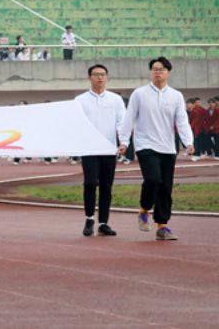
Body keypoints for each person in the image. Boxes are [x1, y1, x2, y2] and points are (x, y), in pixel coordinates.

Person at [118, 57, 194, 241]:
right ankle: (144, 209)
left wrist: (188, 142)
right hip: (145, 145)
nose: (157, 72)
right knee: (152, 179)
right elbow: (129, 118)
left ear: (168, 72)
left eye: (161, 69)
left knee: (165, 187)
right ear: (151, 72)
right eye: (154, 69)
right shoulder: (139, 94)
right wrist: (124, 141)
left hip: (168, 147)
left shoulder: (175, 96)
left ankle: (162, 225)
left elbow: (182, 121)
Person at [75, 64, 126, 237]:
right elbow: (75, 124)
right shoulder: (80, 100)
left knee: (106, 186)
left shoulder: (115, 99)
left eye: (103, 74)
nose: (99, 77)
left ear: (107, 77)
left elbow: (122, 122)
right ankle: (89, 218)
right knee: (90, 183)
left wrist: (123, 142)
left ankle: (104, 222)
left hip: (109, 149)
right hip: (89, 149)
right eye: (96, 74)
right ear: (89, 77)